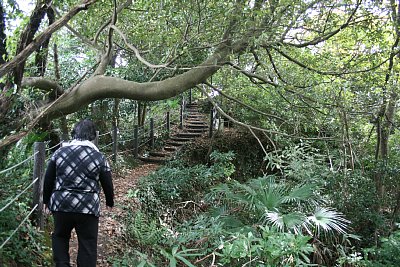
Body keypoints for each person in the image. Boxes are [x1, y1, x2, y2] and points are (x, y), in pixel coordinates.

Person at [43, 119, 114, 267]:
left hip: (61, 204)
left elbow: (48, 178)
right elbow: (107, 181)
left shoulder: (59, 153)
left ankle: (62, 264)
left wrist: (45, 200)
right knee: (88, 243)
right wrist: (109, 201)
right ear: (93, 136)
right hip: (87, 207)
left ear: (74, 133)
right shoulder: (98, 157)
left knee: (60, 237)